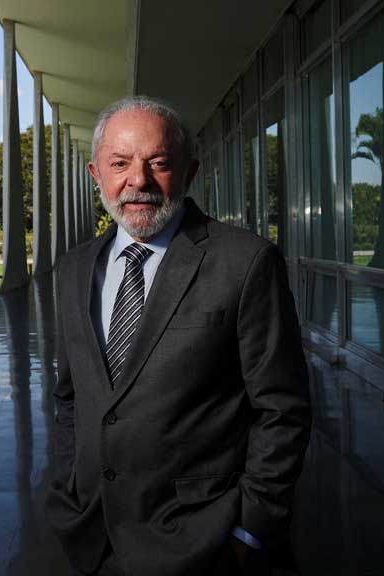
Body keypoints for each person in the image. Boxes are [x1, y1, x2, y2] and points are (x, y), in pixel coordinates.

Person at [45, 95, 310, 576]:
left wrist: (251, 528)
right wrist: (68, 492)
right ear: (96, 175)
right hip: (94, 538)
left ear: (189, 173)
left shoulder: (245, 263)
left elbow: (282, 409)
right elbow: (71, 397)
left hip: (204, 543)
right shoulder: (73, 269)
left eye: (159, 163)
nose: (138, 180)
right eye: (120, 163)